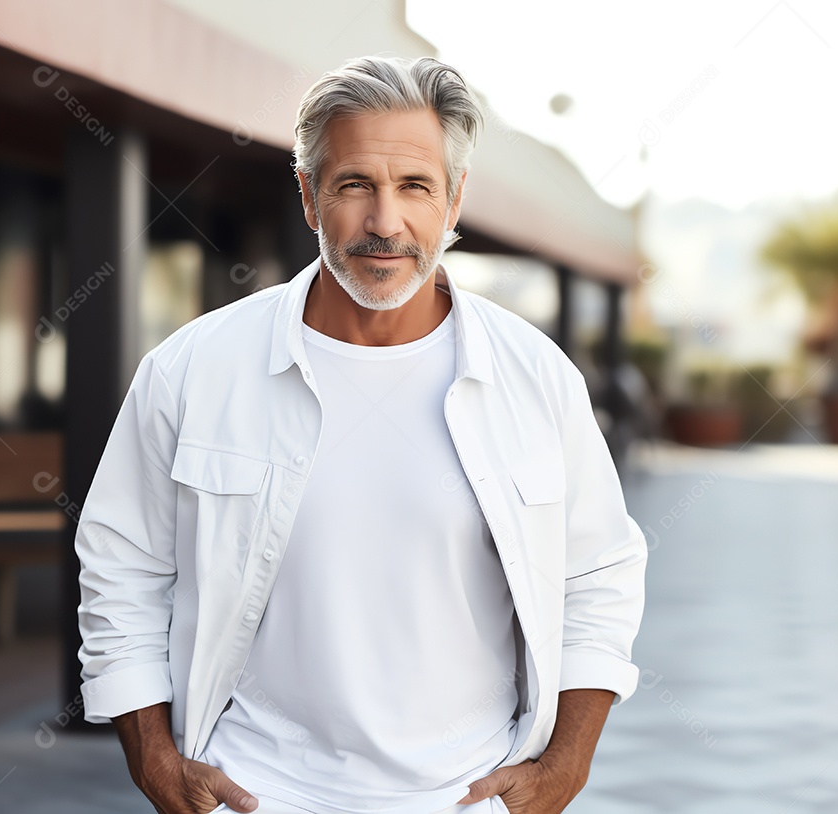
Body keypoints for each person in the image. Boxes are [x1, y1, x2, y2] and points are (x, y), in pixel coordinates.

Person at [76, 55, 646, 814]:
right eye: (354, 185)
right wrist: (152, 756)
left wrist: (565, 766)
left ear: (454, 201)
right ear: (309, 196)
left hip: (470, 800)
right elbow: (121, 568)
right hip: (252, 795)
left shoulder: (536, 380)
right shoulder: (191, 370)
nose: (385, 222)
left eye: (415, 186)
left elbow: (598, 576)